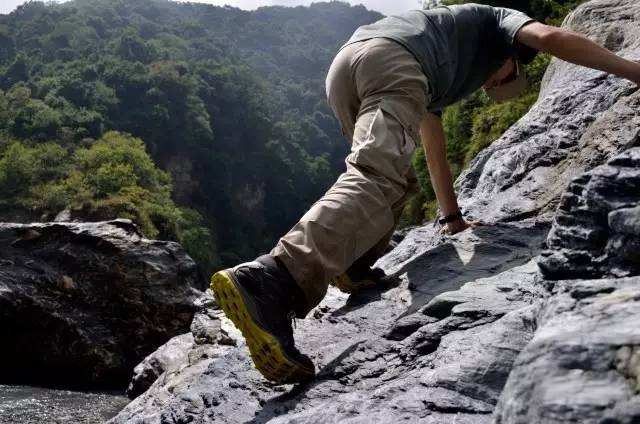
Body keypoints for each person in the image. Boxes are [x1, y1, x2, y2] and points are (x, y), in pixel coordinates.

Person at [211, 3, 640, 385]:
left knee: (394, 178)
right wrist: (633, 71)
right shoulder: (497, 19)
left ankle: (352, 261)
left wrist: (452, 219)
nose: (493, 88)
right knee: (376, 175)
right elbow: (548, 38)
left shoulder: (443, 58)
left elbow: (432, 150)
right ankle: (272, 279)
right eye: (504, 79)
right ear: (512, 57)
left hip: (347, 67)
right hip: (391, 62)